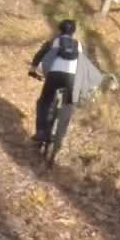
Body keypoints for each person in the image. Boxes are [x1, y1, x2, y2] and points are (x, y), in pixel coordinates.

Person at [28, 19, 83, 147]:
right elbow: (82, 64)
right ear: (73, 32)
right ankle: (60, 136)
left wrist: (33, 70)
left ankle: (41, 132)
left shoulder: (55, 41)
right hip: (72, 77)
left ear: (60, 30)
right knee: (69, 105)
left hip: (54, 75)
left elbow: (40, 54)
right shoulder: (78, 45)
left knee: (44, 101)